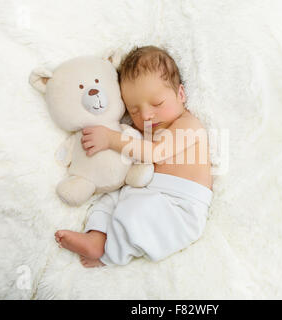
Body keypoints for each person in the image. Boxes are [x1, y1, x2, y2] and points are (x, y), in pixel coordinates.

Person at [55, 46, 213, 267]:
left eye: (157, 103)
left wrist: (111, 139)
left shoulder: (189, 125)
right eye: (134, 110)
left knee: (137, 215)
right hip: (146, 190)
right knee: (108, 199)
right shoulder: (145, 132)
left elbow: (156, 153)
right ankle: (96, 236)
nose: (146, 115)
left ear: (180, 94)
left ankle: (109, 255)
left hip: (179, 207)